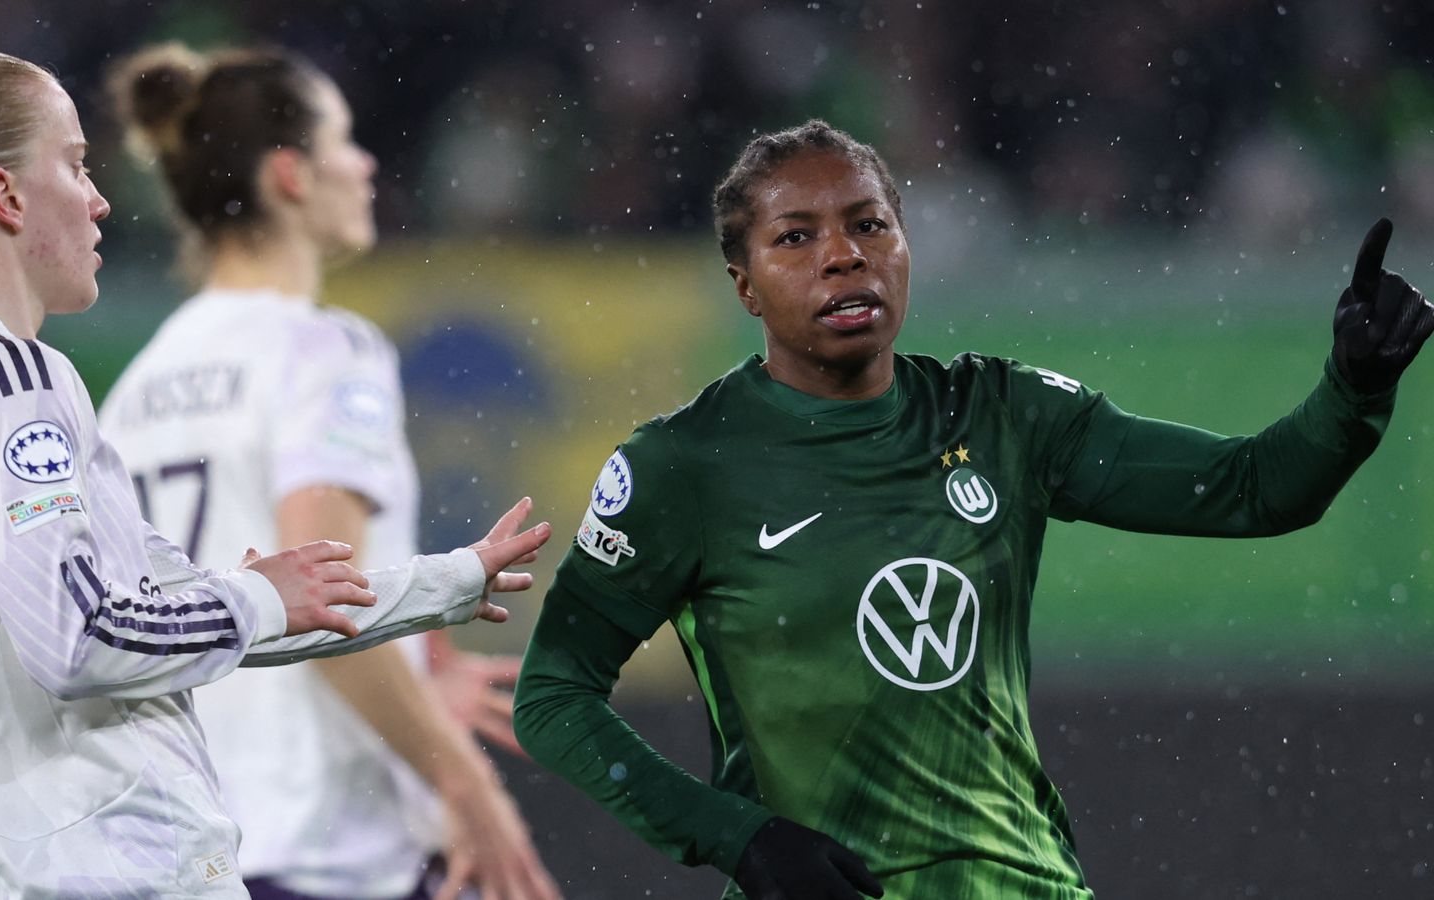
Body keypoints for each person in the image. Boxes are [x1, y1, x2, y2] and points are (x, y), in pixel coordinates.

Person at [513, 119, 1434, 899]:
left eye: (869, 225)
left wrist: (1352, 388)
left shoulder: (1002, 414)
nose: (843, 255)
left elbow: (1256, 489)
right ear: (744, 284)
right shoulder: (683, 466)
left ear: (904, 247)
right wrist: (739, 837)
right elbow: (554, 694)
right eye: (796, 238)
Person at [0, 50, 551, 898]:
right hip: (166, 865)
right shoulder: (4, 380)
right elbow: (82, 640)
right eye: (75, 164)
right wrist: (257, 600)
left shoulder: (49, 379)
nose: (99, 198)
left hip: (118, 851)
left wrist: (448, 582)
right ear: (6, 195)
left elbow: (205, 607)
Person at [99, 44, 561, 900]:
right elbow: (327, 609)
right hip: (326, 845)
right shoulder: (324, 349)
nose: (365, 164)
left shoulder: (133, 390)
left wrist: (416, 656)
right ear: (291, 175)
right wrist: (466, 784)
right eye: (344, 141)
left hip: (188, 843)